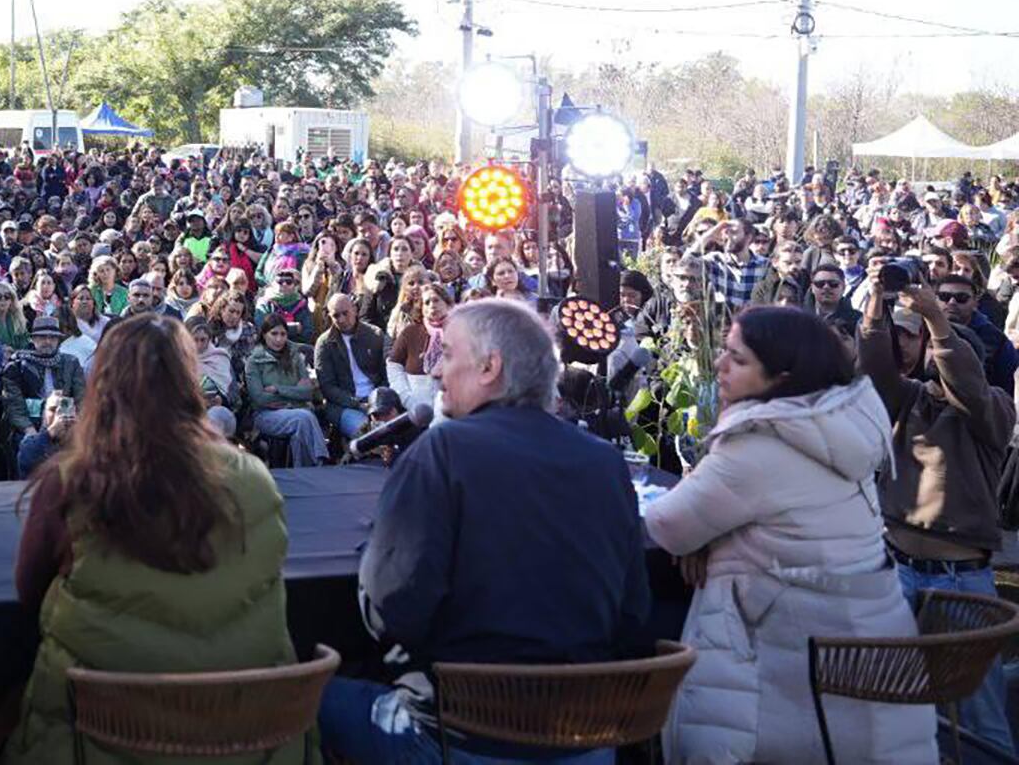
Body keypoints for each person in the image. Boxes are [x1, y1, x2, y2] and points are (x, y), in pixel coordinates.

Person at [319, 300, 649, 764]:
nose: (435, 372)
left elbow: (391, 609)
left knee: (305, 701)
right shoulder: (606, 463)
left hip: (463, 738)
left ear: (490, 367)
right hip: (586, 739)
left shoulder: (442, 451)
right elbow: (633, 612)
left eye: (448, 354)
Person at [8, 314, 298, 764]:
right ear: (189, 382)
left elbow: (31, 592)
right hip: (245, 741)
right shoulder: (255, 481)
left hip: (98, 742)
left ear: (103, 384)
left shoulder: (73, 482)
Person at [646, 307, 933, 762]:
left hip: (791, 680)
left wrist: (705, 536)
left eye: (737, 360)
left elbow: (667, 526)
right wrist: (715, 535)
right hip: (874, 663)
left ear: (781, 377)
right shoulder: (841, 421)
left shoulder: (759, 443)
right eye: (724, 352)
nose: (720, 366)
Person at [858, 261, 1017, 757]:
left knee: (977, 716)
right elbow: (875, 367)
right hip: (897, 570)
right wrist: (876, 304)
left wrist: (938, 320)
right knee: (888, 704)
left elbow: (967, 386)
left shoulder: (993, 411)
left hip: (958, 581)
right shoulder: (907, 399)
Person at [1, 314, 88, 477]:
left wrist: (72, 424)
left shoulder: (71, 363)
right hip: (28, 423)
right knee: (27, 447)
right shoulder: (16, 366)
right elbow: (14, 405)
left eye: (52, 337)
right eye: (42, 337)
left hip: (66, 418)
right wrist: (30, 430)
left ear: (58, 340)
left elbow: (81, 398)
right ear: (33, 339)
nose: (47, 341)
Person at [245, 318, 326, 466]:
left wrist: (278, 389)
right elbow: (259, 398)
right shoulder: (254, 361)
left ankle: (303, 471)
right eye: (274, 334)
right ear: (264, 334)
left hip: (297, 410)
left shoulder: (296, 356)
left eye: (283, 334)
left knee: (302, 421)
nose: (279, 339)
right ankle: (317, 465)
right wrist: (295, 392)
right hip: (265, 415)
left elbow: (308, 393)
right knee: (303, 417)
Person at [315, 291, 389, 442]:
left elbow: (386, 374)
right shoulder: (324, 343)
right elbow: (327, 387)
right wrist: (357, 403)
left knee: (394, 427)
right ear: (330, 316)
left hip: (377, 399)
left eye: (345, 313)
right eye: (336, 315)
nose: (341, 319)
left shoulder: (375, 335)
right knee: (365, 432)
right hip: (343, 406)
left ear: (355, 310)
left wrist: (378, 400)